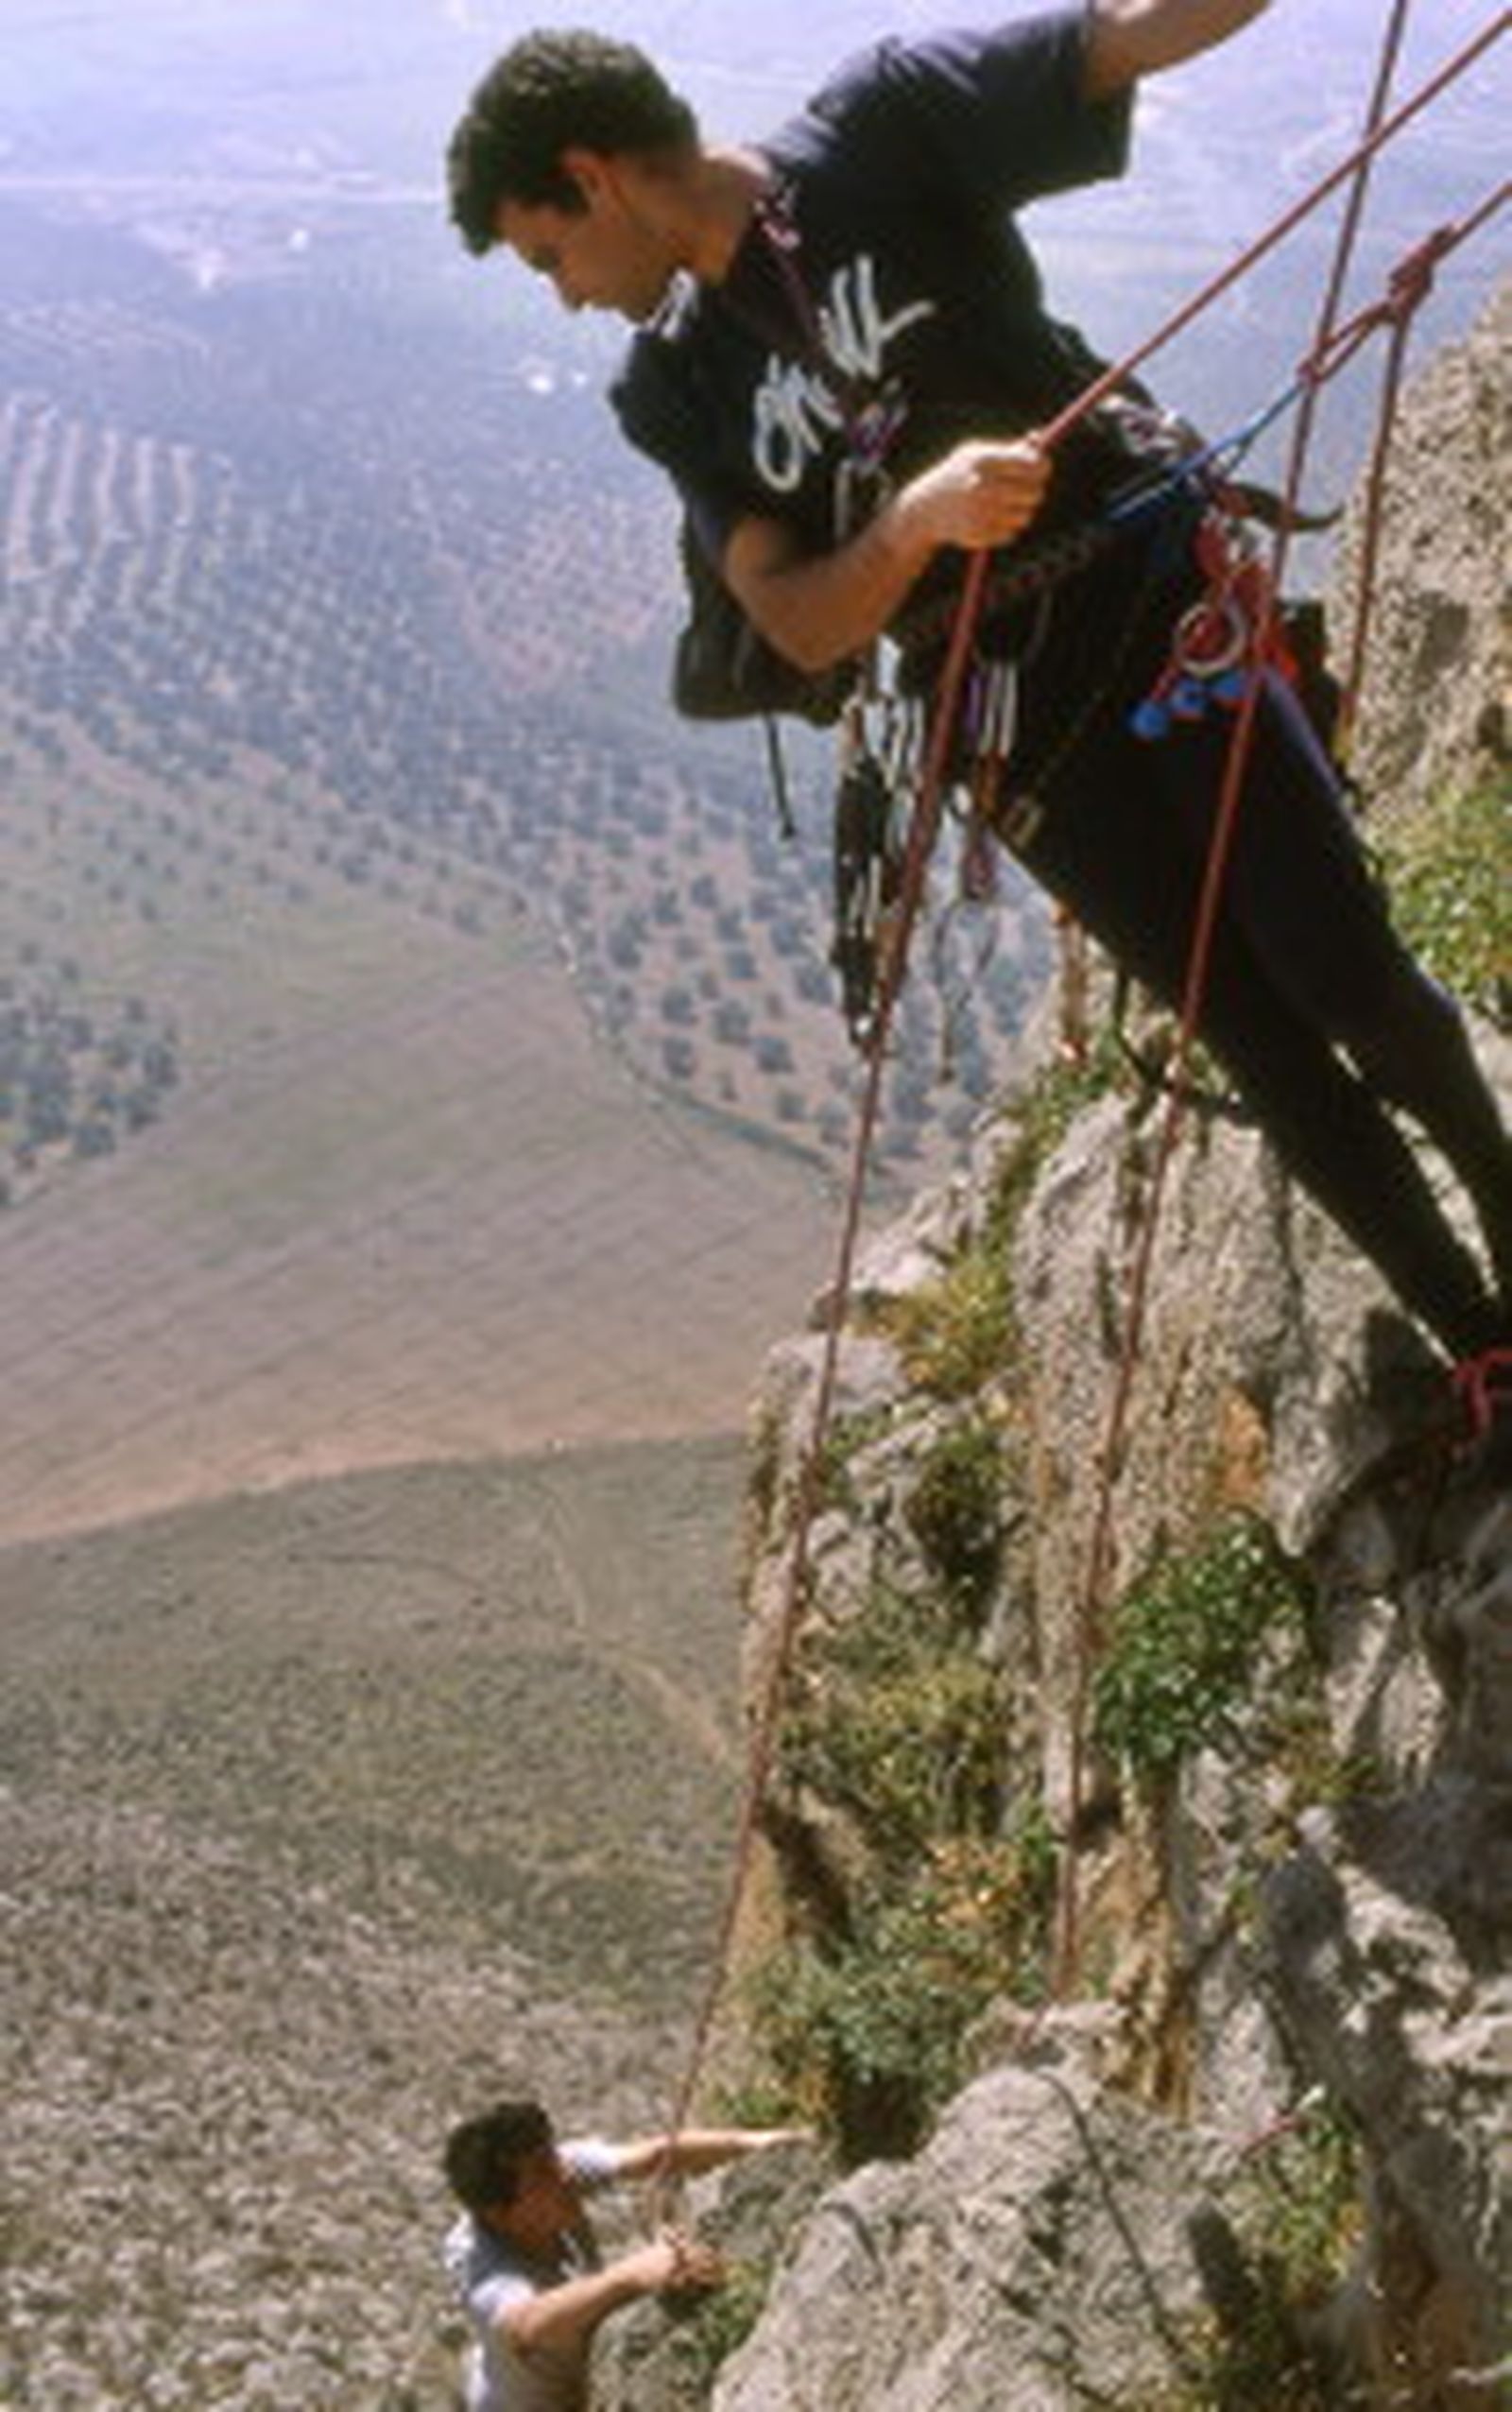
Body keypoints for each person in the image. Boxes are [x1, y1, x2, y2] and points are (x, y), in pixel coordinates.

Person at [444, 5, 1512, 1376]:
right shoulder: (676, 387)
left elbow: (1128, 33)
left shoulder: (881, 128)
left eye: (552, 251)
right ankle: (1484, 1349)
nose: (568, 292)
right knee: (1255, 1035)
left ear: (591, 177)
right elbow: (792, 620)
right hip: (1011, 721)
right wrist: (912, 527)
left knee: (1338, 970)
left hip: (1148, 589)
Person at [440, 2098, 803, 2411]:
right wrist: (632, 2275)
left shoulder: (553, 2173)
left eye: (552, 2157)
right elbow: (526, 2324)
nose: (564, 2174)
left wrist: (763, 2143)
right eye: (543, 2173)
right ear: (501, 2214)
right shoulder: (484, 2268)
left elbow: (657, 2154)